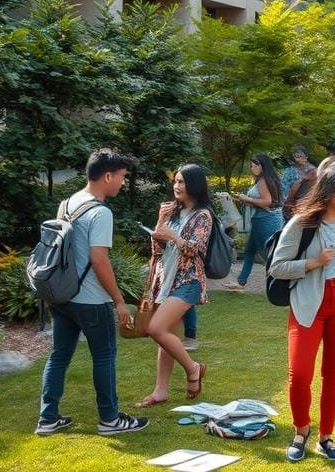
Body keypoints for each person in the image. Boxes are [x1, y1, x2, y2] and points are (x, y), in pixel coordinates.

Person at [36, 149, 148, 437]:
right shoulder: (101, 212)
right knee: (104, 356)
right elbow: (99, 260)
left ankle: (48, 418)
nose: (123, 183)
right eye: (122, 177)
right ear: (107, 176)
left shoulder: (67, 203)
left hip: (62, 296)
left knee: (59, 355)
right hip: (91, 301)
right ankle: (110, 419)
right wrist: (120, 301)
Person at [269, 165, 335, 462]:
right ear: (329, 192)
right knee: (299, 374)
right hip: (308, 301)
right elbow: (277, 266)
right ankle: (301, 430)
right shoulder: (302, 223)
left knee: (333, 375)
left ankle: (326, 436)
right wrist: (312, 263)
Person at [135, 164, 213, 410]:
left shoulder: (203, 215)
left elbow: (195, 250)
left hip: (187, 280)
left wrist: (175, 237)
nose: (177, 186)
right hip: (164, 279)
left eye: (182, 182)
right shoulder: (172, 212)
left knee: (156, 328)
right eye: (175, 181)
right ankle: (160, 391)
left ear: (195, 185)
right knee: (166, 337)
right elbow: (157, 251)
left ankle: (193, 368)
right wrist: (160, 223)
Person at [224, 154, 285, 290]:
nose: (253, 168)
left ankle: (282, 282)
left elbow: (267, 202)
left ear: (263, 166)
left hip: (264, 220)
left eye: (256, 165)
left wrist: (247, 199)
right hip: (263, 218)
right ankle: (241, 282)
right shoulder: (266, 179)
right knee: (250, 251)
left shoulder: (263, 181)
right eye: (252, 165)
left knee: (267, 253)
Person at [281, 146, 316, 218]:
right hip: (292, 202)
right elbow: (284, 187)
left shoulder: (313, 170)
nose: (298, 159)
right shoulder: (289, 171)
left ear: (306, 156)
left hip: (308, 203)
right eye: (296, 156)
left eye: (301, 156)